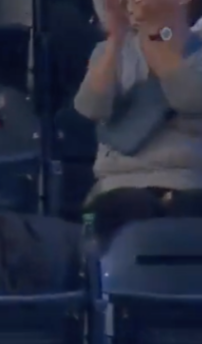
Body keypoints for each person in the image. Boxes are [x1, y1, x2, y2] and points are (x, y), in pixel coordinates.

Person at [79, 0, 202, 245]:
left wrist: (157, 34)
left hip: (188, 183)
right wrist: (116, 38)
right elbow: (90, 107)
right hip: (118, 184)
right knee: (121, 213)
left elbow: (190, 97)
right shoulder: (108, 52)